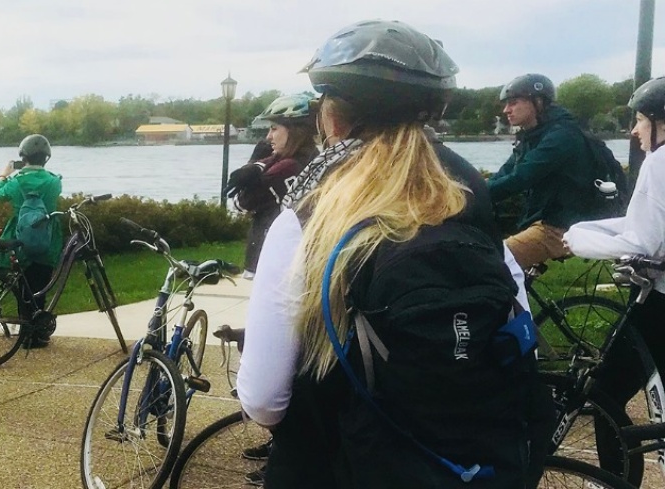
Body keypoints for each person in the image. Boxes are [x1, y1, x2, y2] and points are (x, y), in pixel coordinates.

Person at [235, 20, 547, 488]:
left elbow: (263, 397)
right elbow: (518, 328)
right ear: (432, 111)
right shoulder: (467, 195)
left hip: (337, 463)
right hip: (474, 461)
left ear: (332, 118)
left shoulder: (308, 214)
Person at [564, 75, 665, 476]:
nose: (634, 129)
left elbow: (642, 243)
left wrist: (578, 240)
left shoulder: (660, 162)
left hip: (659, 302)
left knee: (605, 393)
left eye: (640, 119)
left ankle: (614, 481)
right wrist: (593, 227)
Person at [488, 73, 603, 268]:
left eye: (514, 102)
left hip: (562, 227)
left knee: (493, 263)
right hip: (545, 219)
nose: (506, 110)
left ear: (538, 102)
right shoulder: (533, 136)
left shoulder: (562, 136)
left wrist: (470, 197)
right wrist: (466, 190)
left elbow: (520, 178)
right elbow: (504, 174)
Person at [225, 93, 319, 279]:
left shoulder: (283, 169)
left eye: (274, 129)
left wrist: (253, 162)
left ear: (294, 131)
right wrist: (259, 165)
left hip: (270, 259)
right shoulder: (312, 157)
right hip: (299, 256)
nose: (269, 136)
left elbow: (239, 204)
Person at [0, 134, 63, 348]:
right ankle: (38, 333)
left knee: (23, 288)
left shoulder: (15, 182)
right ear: (46, 158)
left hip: (19, 239)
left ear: (23, 158)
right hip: (46, 240)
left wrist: (3, 175)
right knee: (40, 286)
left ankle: (26, 330)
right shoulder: (54, 182)